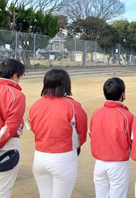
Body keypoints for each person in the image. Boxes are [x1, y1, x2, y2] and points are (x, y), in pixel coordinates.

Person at [29, 69, 88, 198]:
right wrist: (76, 147)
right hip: (63, 157)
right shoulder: (72, 105)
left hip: (39, 156)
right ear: (66, 84)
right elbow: (81, 132)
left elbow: (34, 128)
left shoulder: (36, 105)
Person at [0, 58, 26, 198]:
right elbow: (10, 127)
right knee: (3, 188)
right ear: (15, 75)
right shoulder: (17, 95)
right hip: (6, 146)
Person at [89, 77, 134, 198]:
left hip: (99, 162)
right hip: (118, 163)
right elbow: (132, 141)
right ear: (123, 95)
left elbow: (91, 134)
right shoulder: (127, 116)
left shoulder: (96, 113)